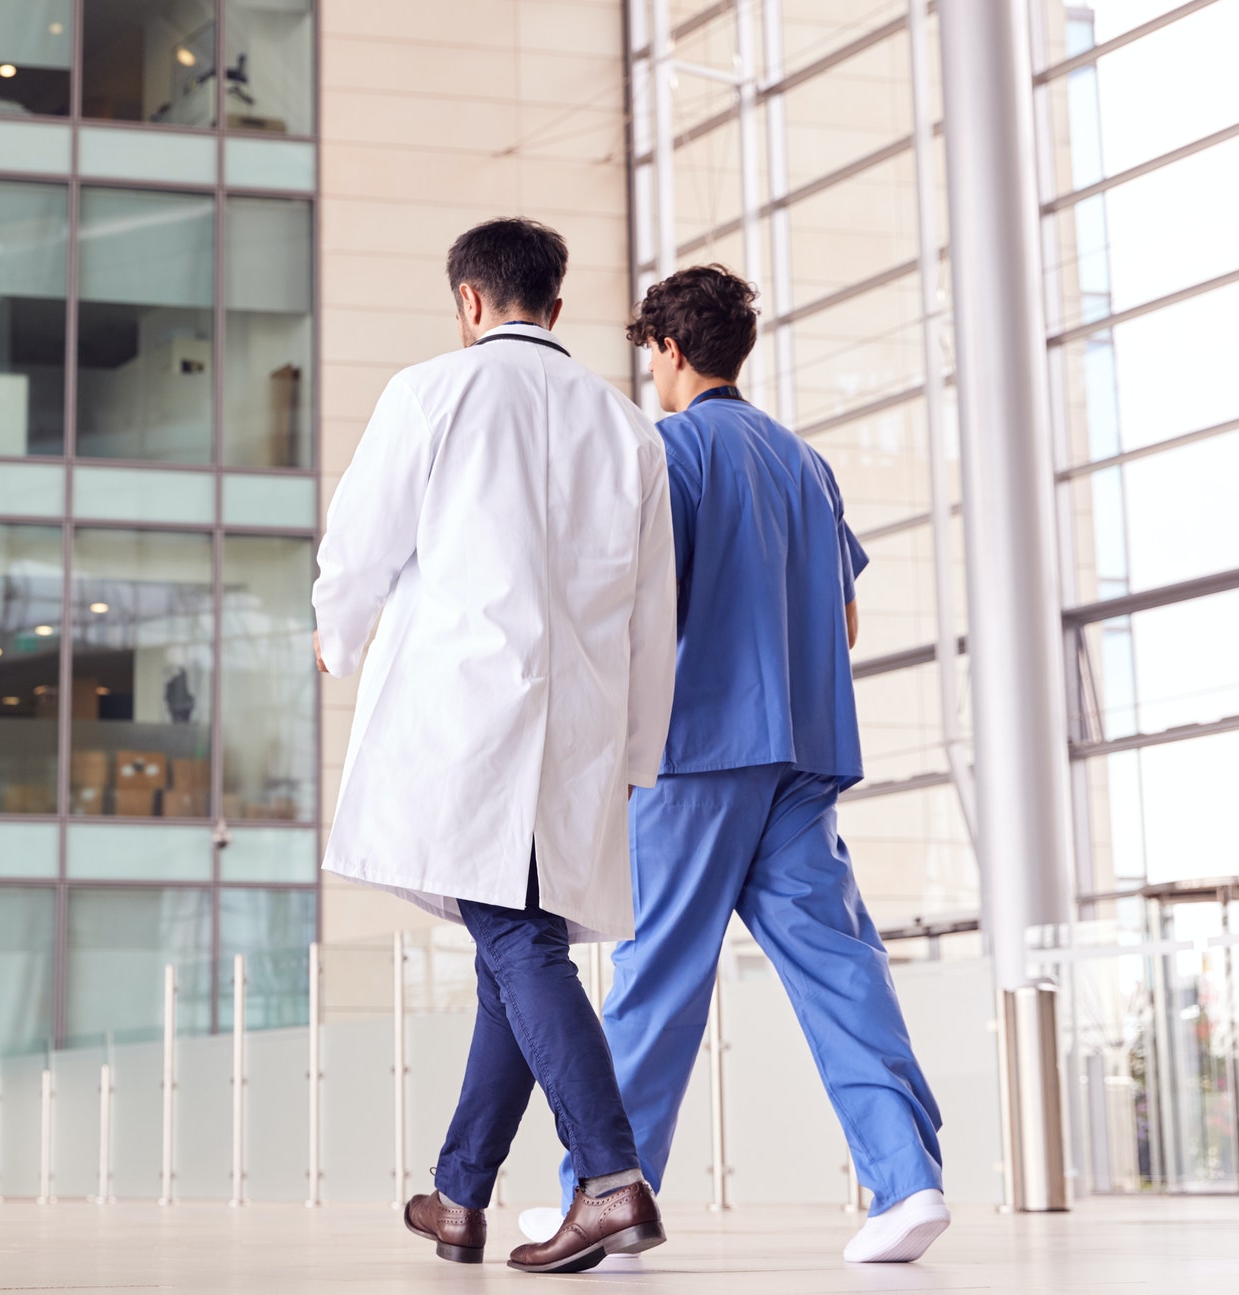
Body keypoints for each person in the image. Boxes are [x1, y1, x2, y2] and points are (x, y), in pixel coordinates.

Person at [516, 265, 949, 1265]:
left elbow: (641, 604)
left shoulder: (672, 448)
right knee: (841, 970)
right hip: (800, 755)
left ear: (666, 351)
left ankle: (606, 1193)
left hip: (700, 753)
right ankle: (905, 1179)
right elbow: (841, 618)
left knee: (655, 974)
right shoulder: (804, 463)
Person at [313, 217, 678, 1275]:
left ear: (469, 303)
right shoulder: (626, 429)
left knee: (515, 944)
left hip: (464, 714)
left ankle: (609, 1181)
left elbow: (362, 534)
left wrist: (335, 633)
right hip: (575, 730)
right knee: (510, 953)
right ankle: (460, 1194)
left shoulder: (430, 392)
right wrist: (636, 747)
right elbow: (657, 613)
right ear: (553, 307)